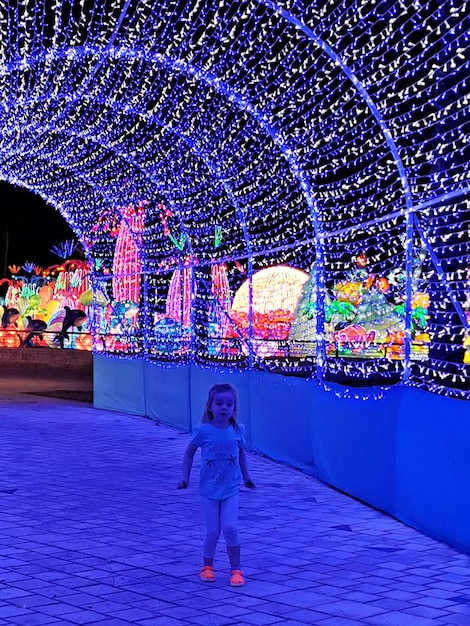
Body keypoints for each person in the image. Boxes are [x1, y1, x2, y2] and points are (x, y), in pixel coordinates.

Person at [177, 382, 255, 587]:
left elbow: (241, 454)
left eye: (229, 404)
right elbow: (188, 453)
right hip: (208, 490)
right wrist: (185, 477)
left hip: (231, 489)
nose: (224, 408)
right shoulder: (203, 431)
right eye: (219, 403)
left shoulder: (237, 430)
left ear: (234, 408)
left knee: (230, 527)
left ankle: (236, 569)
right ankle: (207, 566)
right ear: (210, 406)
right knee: (212, 531)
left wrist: (247, 476)